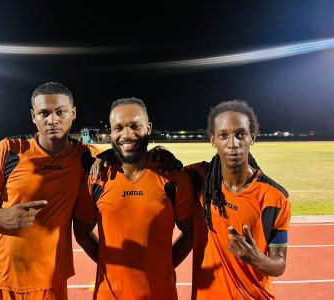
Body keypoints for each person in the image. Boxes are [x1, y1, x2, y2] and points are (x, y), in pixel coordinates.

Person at [0, 82, 100, 300]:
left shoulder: (87, 156)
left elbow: (128, 161)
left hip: (51, 282)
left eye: (60, 112)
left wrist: (161, 154)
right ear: (33, 116)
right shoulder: (10, 150)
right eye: (44, 113)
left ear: (73, 113)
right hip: (3, 278)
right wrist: (1, 216)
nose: (52, 120)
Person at [73, 97, 194, 299]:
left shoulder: (173, 177)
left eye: (134, 126)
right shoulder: (96, 178)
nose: (126, 135)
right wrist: (108, 265)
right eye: (118, 128)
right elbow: (81, 231)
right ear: (111, 132)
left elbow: (190, 233)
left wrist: (163, 266)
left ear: (148, 127)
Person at [186, 100, 291, 299]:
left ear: (252, 137)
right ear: (212, 140)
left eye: (240, 134)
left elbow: (279, 265)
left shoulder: (274, 197)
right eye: (223, 135)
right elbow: (156, 174)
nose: (233, 144)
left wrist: (257, 259)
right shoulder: (198, 178)